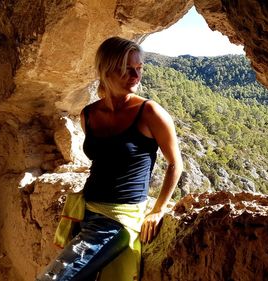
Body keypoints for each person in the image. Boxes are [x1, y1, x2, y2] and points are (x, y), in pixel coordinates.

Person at [36, 36, 183, 281]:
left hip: (117, 219)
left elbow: (175, 164)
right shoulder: (89, 114)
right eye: (126, 69)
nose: (135, 76)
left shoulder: (149, 113)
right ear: (106, 71)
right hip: (86, 211)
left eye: (139, 68)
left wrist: (158, 210)